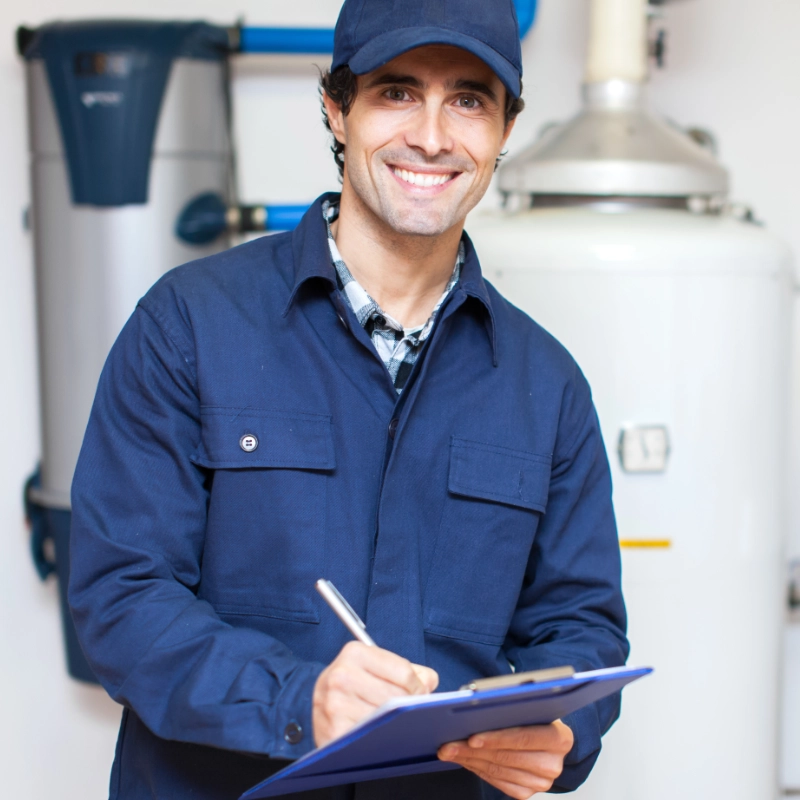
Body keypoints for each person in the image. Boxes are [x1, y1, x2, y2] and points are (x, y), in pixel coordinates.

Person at [69, 1, 629, 798]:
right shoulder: (189, 325)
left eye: (469, 99)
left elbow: (580, 627)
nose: (433, 136)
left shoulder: (548, 387)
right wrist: (298, 701)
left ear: (506, 129)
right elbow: (120, 595)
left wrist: (563, 733)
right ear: (337, 108)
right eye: (397, 92)